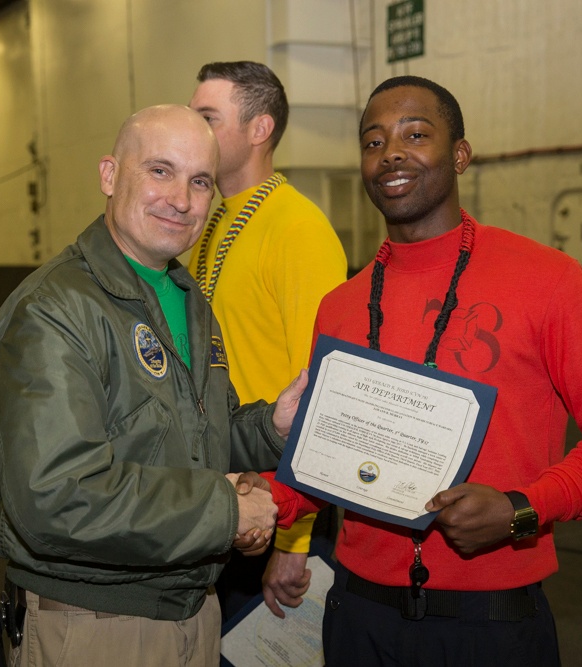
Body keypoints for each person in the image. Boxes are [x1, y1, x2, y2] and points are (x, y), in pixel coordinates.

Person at [248, 75, 582, 666]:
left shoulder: (548, 280)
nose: (391, 152)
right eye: (373, 142)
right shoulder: (341, 306)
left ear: (461, 154)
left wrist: (521, 509)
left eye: (415, 134)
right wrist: (262, 503)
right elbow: (327, 457)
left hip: (494, 625)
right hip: (357, 616)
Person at [0, 104, 306, 667]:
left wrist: (271, 427)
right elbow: (56, 497)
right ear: (109, 174)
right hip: (97, 625)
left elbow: (196, 434)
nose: (182, 198)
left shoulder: (186, 298)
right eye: (160, 171)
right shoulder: (54, 310)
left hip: (194, 608)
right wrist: (225, 510)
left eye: (200, 181)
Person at [188, 60, 348, 619]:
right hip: (225, 488)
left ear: (260, 129)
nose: (193, 128)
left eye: (207, 117)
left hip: (282, 505)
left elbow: (322, 393)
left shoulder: (298, 229)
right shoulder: (208, 223)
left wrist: (294, 543)